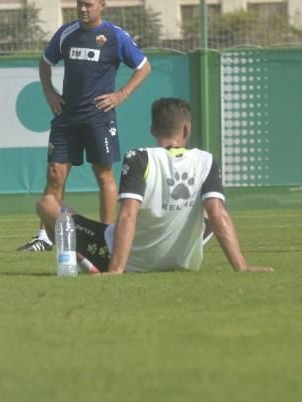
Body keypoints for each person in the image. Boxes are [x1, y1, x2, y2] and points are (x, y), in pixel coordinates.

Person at [37, 97, 272, 274]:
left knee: (47, 204)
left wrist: (116, 269)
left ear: (152, 130)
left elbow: (128, 214)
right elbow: (218, 214)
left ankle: (80, 260)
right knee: (210, 210)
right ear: (187, 129)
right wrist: (242, 268)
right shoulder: (206, 161)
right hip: (181, 260)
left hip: (126, 259)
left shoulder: (139, 158)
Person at [18, 0, 151, 252]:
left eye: (88, 4)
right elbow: (45, 62)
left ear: (102, 6)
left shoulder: (116, 37)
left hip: (98, 117)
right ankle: (45, 236)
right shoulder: (67, 33)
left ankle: (108, 237)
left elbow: (143, 66)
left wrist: (121, 94)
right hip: (66, 115)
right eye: (79, 3)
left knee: (103, 175)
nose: (82, 9)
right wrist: (49, 93)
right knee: (55, 174)